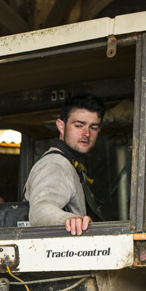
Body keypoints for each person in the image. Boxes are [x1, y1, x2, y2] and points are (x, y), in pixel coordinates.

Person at [23, 93, 106, 236]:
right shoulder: (55, 164)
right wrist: (71, 220)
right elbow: (40, 211)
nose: (86, 133)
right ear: (61, 126)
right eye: (79, 125)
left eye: (93, 127)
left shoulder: (72, 164)